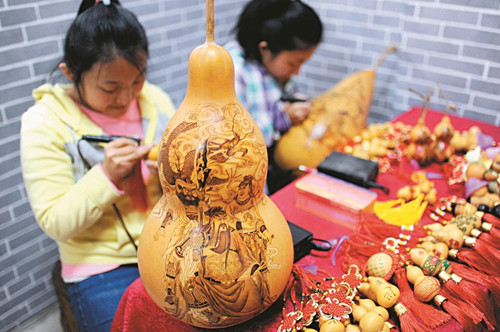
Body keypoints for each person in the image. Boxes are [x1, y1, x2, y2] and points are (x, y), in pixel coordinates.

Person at [20, 0, 175, 331]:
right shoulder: (44, 122)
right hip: (101, 265)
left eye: (137, 80)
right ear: (70, 73)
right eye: (110, 87)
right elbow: (56, 221)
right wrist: (106, 177)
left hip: (167, 243)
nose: (126, 98)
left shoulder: (156, 100)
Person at [224, 0, 323, 194]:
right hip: (240, 181)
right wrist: (283, 118)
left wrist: (295, 101)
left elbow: (284, 97)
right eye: (294, 63)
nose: (296, 72)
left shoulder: (271, 67)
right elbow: (236, 141)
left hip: (273, 169)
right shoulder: (232, 70)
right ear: (265, 49)